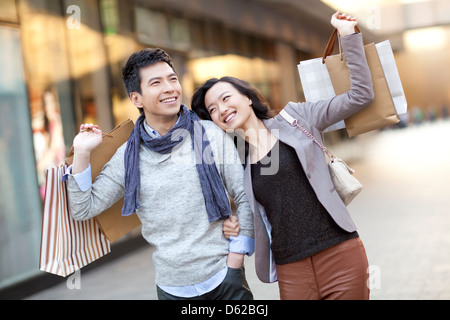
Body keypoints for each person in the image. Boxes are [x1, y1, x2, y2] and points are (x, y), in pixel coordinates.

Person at [191, 12, 374, 300]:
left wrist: (348, 35)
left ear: (247, 97)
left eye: (225, 98)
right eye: (212, 109)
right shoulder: (237, 160)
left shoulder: (296, 118)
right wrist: (231, 223)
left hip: (339, 253)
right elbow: (243, 210)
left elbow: (361, 95)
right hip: (291, 269)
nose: (221, 109)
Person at [65, 48, 255, 300]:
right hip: (172, 288)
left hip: (225, 280)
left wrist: (235, 261)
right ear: (137, 98)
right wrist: (81, 153)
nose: (169, 88)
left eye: (172, 79)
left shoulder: (209, 133)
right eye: (156, 82)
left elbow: (244, 195)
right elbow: (82, 208)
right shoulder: (128, 156)